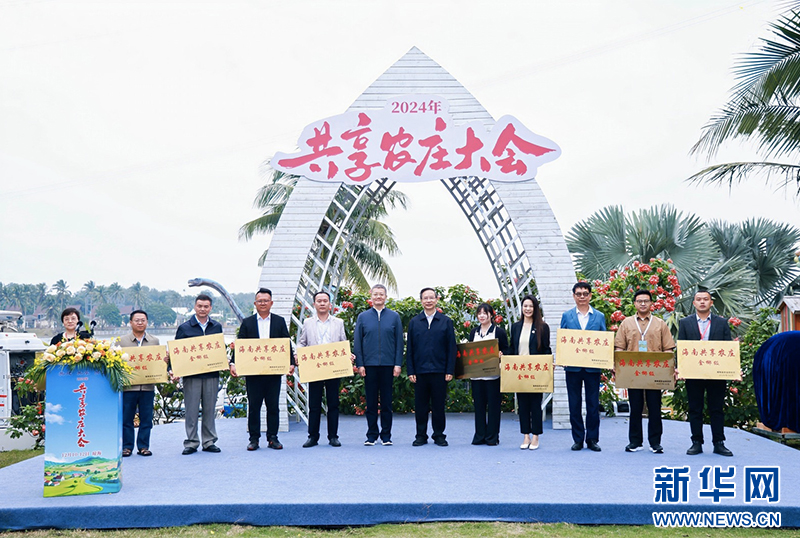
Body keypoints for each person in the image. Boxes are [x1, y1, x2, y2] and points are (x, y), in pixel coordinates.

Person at [230, 288, 293, 451]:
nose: (263, 303)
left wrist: (291, 363)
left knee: (273, 406)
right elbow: (240, 345)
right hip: (253, 373)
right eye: (260, 301)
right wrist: (233, 363)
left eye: (266, 300)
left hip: (273, 372)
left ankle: (273, 438)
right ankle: (254, 439)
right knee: (254, 407)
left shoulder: (279, 321)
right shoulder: (248, 322)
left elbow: (286, 344)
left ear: (271, 303)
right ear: (255, 303)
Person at [614, 289, 675, 454]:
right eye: (639, 301)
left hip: (654, 372)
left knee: (655, 407)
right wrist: (618, 367)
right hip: (633, 372)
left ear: (651, 304)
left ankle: (655, 442)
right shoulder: (626, 323)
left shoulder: (660, 324)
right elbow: (619, 347)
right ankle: (635, 441)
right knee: (635, 407)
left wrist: (668, 370)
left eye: (646, 301)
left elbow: (668, 349)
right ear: (635, 303)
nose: (642, 304)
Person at [678, 290, 734, 457]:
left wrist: (731, 369)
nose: (702, 302)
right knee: (695, 408)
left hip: (716, 373)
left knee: (717, 408)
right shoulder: (685, 323)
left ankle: (719, 443)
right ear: (694, 303)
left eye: (705, 299)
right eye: (699, 299)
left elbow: (728, 347)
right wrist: (681, 368)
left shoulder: (722, 323)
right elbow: (681, 347)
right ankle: (696, 442)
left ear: (711, 303)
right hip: (693, 372)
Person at [354, 284, 404, 446]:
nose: (378, 297)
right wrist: (360, 364)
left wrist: (397, 364)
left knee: (387, 402)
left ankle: (386, 435)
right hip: (369, 365)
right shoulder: (363, 317)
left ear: (386, 297)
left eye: (381, 294)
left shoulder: (394, 316)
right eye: (375, 294)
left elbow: (399, 343)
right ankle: (371, 435)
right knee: (371, 402)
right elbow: (357, 342)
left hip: (388, 365)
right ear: (371, 297)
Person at [174, 294, 224, 455]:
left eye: (206, 306)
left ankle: (209, 441)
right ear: (195, 307)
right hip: (192, 376)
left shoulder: (216, 327)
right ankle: (191, 442)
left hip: (211, 374)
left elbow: (219, 350)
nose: (202, 309)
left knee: (210, 409)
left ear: (211, 308)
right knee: (191, 409)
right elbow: (177, 352)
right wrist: (174, 369)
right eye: (200, 306)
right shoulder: (184, 328)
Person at [406, 287, 457, 447]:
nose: (428, 301)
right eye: (425, 298)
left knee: (438, 406)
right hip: (420, 372)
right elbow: (410, 348)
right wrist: (411, 370)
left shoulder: (446, 321)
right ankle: (421, 435)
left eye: (431, 298)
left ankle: (439, 435)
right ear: (421, 301)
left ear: (436, 299)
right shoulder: (414, 322)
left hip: (440, 371)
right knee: (420, 407)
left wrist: (449, 370)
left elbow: (451, 348)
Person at [298, 291, 349, 448]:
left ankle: (333, 436)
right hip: (315, 368)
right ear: (314, 304)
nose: (322, 303)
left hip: (333, 368)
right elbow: (302, 342)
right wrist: (298, 354)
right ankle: (313, 437)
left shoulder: (338, 322)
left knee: (333, 403)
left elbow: (343, 343)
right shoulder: (308, 323)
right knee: (314, 404)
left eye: (325, 301)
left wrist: (348, 355)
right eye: (319, 301)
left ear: (330, 304)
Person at [560, 282, 606, 452]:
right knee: (574, 404)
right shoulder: (567, 316)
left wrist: (604, 360)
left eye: (585, 293)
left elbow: (604, 341)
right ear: (574, 296)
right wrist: (563, 357)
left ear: (590, 295)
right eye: (578, 294)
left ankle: (592, 439)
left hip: (592, 368)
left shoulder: (599, 316)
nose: (582, 297)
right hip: (573, 367)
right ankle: (578, 439)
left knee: (593, 404)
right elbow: (563, 339)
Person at [510, 295, 551, 450]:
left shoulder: (542, 327)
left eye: (531, 306)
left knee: (535, 404)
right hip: (519, 372)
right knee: (523, 405)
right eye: (525, 306)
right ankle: (525, 435)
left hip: (535, 372)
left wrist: (549, 364)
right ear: (521, 308)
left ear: (535, 308)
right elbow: (512, 348)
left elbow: (546, 349)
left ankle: (535, 436)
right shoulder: (515, 327)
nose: (527, 309)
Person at [119, 310, 161, 457]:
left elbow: (157, 362)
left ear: (147, 322)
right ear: (130, 323)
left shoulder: (154, 341)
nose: (140, 323)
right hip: (128, 386)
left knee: (146, 418)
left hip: (147, 386)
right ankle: (127, 446)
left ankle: (143, 446)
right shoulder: (121, 341)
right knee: (126, 418)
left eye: (143, 320)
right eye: (137, 320)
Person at [468, 302, 509, 446]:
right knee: (479, 407)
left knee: (493, 407)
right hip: (476, 376)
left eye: (485, 313)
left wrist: (501, 354)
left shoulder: (499, 332)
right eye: (479, 313)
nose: (482, 316)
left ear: (491, 315)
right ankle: (479, 435)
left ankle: (492, 437)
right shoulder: (474, 332)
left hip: (493, 376)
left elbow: (507, 350)